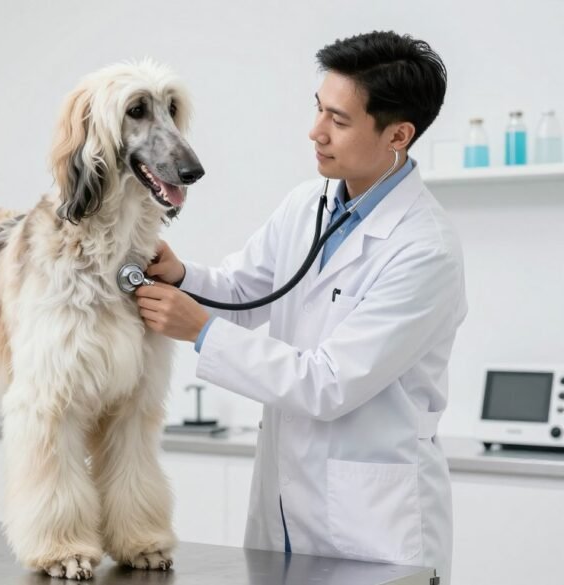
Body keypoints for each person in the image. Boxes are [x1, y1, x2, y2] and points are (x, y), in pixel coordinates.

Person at [135, 31, 465, 582]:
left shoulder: (424, 250)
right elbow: (244, 291)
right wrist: (184, 275)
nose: (315, 132)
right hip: (283, 513)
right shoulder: (306, 204)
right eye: (318, 110)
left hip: (372, 530)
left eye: (338, 120)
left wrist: (202, 332)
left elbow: (329, 384)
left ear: (398, 135)